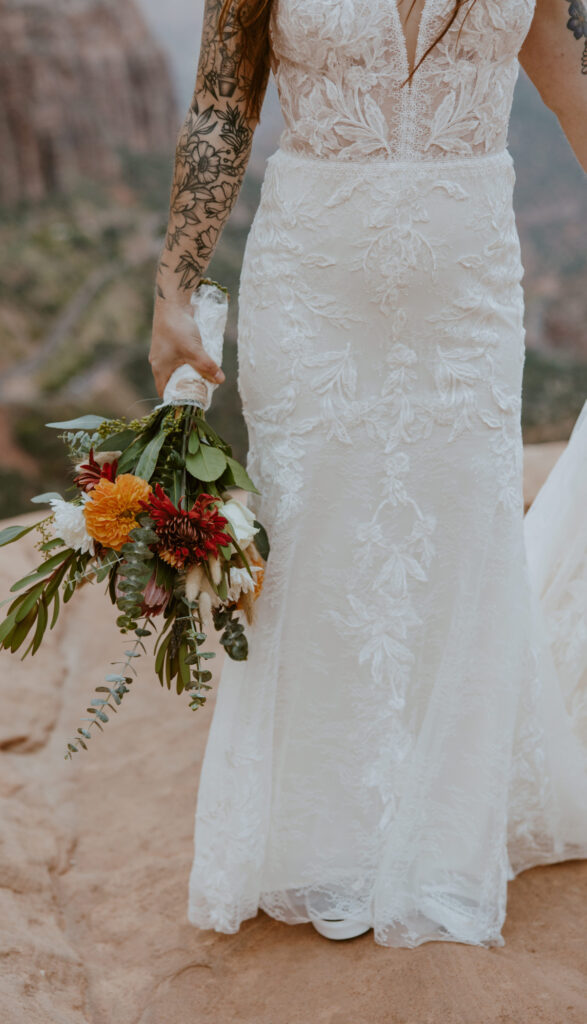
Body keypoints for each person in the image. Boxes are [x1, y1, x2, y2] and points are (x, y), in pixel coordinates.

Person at [148, 0, 587, 947]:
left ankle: (440, 841)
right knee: (314, 546)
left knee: (463, 534)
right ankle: (316, 838)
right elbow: (225, 106)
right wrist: (173, 288)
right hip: (311, 287)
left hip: (468, 291)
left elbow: (570, 81)